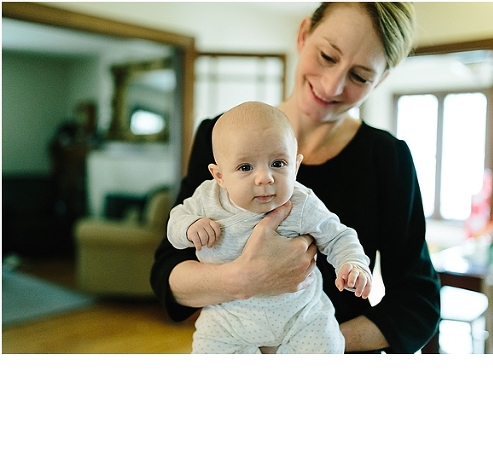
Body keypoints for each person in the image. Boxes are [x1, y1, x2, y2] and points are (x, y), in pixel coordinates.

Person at [151, 2, 441, 353]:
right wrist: (240, 279)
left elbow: (418, 303)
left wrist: (308, 344)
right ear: (303, 35)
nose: (332, 86)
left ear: (380, 79)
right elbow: (169, 269)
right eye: (327, 56)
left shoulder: (388, 158)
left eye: (360, 76)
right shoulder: (219, 137)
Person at [167, 101, 373, 353]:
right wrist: (189, 226)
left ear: (295, 167)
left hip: (300, 317)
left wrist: (352, 263)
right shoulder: (207, 199)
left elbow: (338, 236)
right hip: (228, 321)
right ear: (219, 176)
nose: (265, 177)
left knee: (327, 345)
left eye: (278, 163)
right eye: (245, 167)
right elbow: (175, 225)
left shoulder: (302, 203)